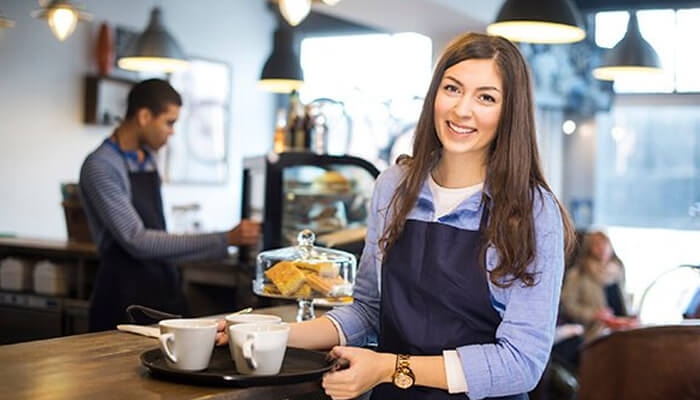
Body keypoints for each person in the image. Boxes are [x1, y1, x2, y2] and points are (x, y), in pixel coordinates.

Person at [218, 32, 575, 399]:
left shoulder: (532, 210)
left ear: (509, 112)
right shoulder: (394, 186)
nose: (462, 110)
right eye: (452, 89)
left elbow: (521, 363)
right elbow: (369, 311)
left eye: (485, 97)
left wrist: (390, 367)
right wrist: (266, 332)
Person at [80, 79, 260, 332]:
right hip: (123, 297)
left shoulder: (148, 157)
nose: (172, 131)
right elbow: (137, 240)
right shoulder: (101, 166)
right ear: (144, 116)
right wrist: (224, 239)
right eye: (169, 122)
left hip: (162, 287)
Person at [560, 230, 635, 342]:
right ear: (589, 248)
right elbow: (567, 306)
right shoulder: (579, 274)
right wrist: (594, 314)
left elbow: (623, 300)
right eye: (597, 244)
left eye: (605, 243)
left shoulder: (618, 270)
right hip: (593, 333)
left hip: (622, 329)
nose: (602, 248)